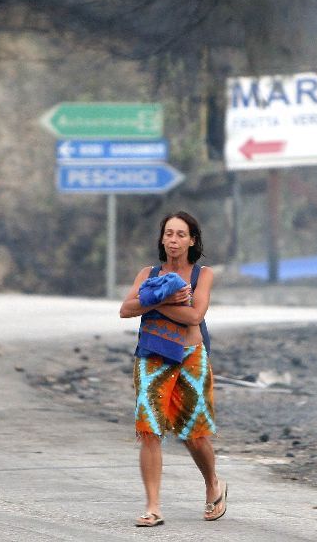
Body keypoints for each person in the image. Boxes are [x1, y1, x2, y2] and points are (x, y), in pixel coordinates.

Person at [119, 211, 227, 527]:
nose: (174, 240)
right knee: (149, 430)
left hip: (190, 356)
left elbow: (195, 316)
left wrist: (151, 300)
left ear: (192, 239)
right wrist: (161, 297)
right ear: (162, 238)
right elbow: (126, 309)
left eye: (181, 234)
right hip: (152, 356)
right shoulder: (148, 272)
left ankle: (212, 484)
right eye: (169, 233)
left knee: (193, 435)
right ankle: (153, 506)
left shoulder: (202, 274)